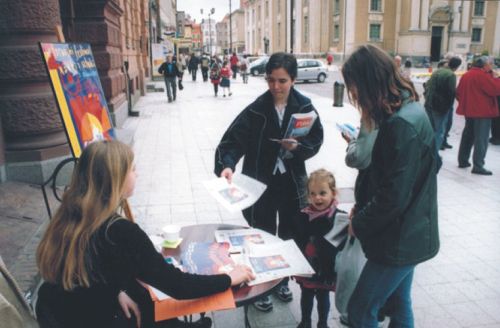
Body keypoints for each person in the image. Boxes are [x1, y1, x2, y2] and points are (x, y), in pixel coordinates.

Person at [35, 140, 255, 328]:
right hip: (105, 318)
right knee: (149, 296)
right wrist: (229, 278)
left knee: (141, 293)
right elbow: (177, 285)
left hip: (77, 314)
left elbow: (85, 272)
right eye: (132, 169)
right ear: (116, 178)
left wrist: (116, 291)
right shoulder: (120, 231)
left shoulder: (70, 214)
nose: (137, 174)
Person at [214, 52, 324, 312]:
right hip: (260, 182)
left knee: (288, 234)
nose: (276, 87)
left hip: (290, 182)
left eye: (282, 81)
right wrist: (227, 165)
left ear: (293, 80)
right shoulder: (256, 109)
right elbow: (232, 140)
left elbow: (317, 139)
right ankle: (261, 286)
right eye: (271, 80)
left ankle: (281, 281)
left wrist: (299, 146)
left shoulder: (305, 106)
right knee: (260, 234)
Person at [342, 44, 439, 328]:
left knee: (360, 311)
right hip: (410, 230)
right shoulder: (407, 109)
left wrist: (359, 222)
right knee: (399, 304)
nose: (354, 94)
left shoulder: (401, 124)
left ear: (369, 81)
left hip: (400, 238)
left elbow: (392, 196)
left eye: (355, 86)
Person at [294, 169, 345, 328]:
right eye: (313, 193)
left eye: (322, 193)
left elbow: (341, 247)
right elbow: (297, 241)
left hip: (326, 268)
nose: (317, 198)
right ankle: (305, 321)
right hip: (308, 265)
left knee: (323, 296)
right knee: (306, 295)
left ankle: (323, 323)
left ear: (333, 193)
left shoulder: (339, 217)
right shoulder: (303, 215)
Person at [456, 56, 500, 175]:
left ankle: (463, 160)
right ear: (485, 65)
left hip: (469, 111)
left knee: (468, 136)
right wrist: (497, 78)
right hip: (482, 112)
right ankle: (478, 165)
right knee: (481, 139)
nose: (492, 67)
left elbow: (458, 92)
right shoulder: (482, 76)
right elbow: (496, 90)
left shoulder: (467, 75)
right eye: (491, 64)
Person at [424, 56, 462, 170]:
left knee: (430, 130)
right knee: (439, 131)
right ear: (457, 66)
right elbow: (451, 92)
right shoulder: (450, 75)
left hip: (429, 104)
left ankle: (426, 153)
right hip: (440, 106)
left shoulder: (438, 71)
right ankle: (434, 155)